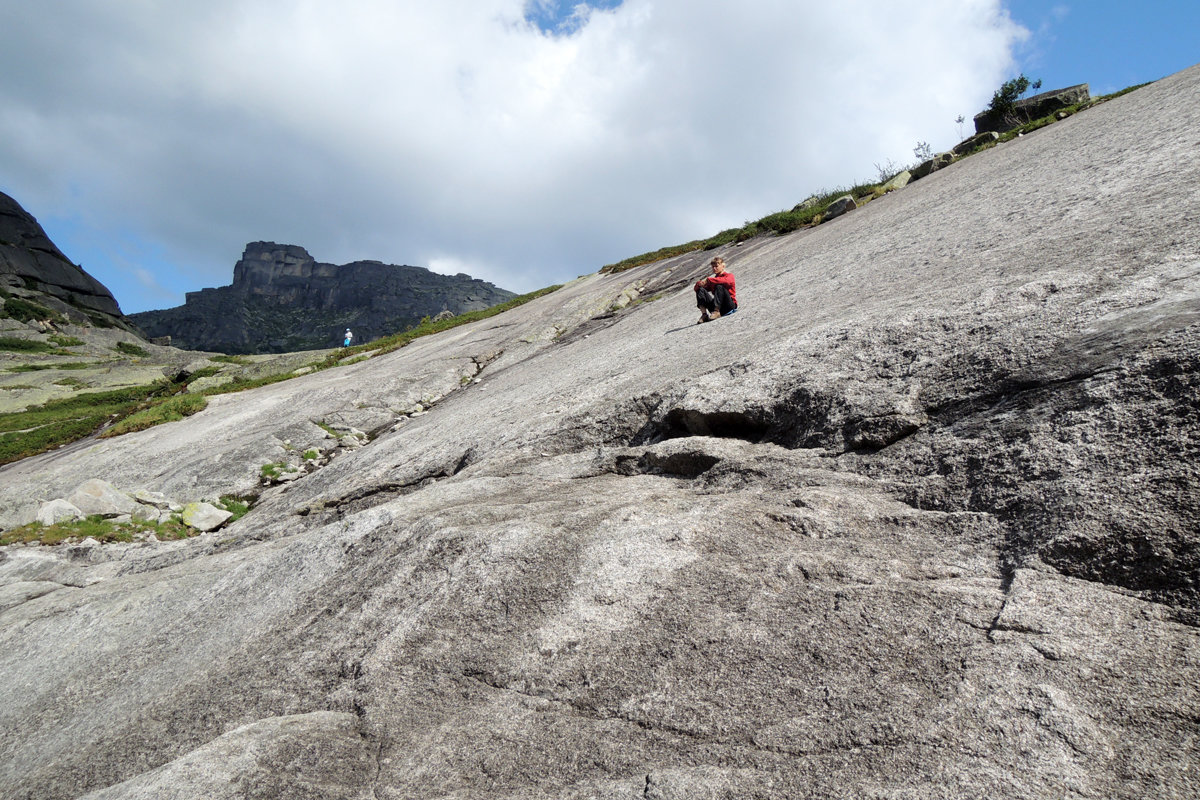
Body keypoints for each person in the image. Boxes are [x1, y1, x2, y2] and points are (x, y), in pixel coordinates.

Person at [694, 256, 737, 323]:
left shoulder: (729, 275)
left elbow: (726, 281)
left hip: (729, 305)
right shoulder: (713, 280)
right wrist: (699, 284)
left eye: (716, 266)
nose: (714, 268)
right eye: (713, 267)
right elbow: (697, 289)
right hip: (717, 307)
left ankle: (717, 311)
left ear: (723, 266)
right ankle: (704, 314)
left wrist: (709, 280)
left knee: (719, 286)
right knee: (701, 289)